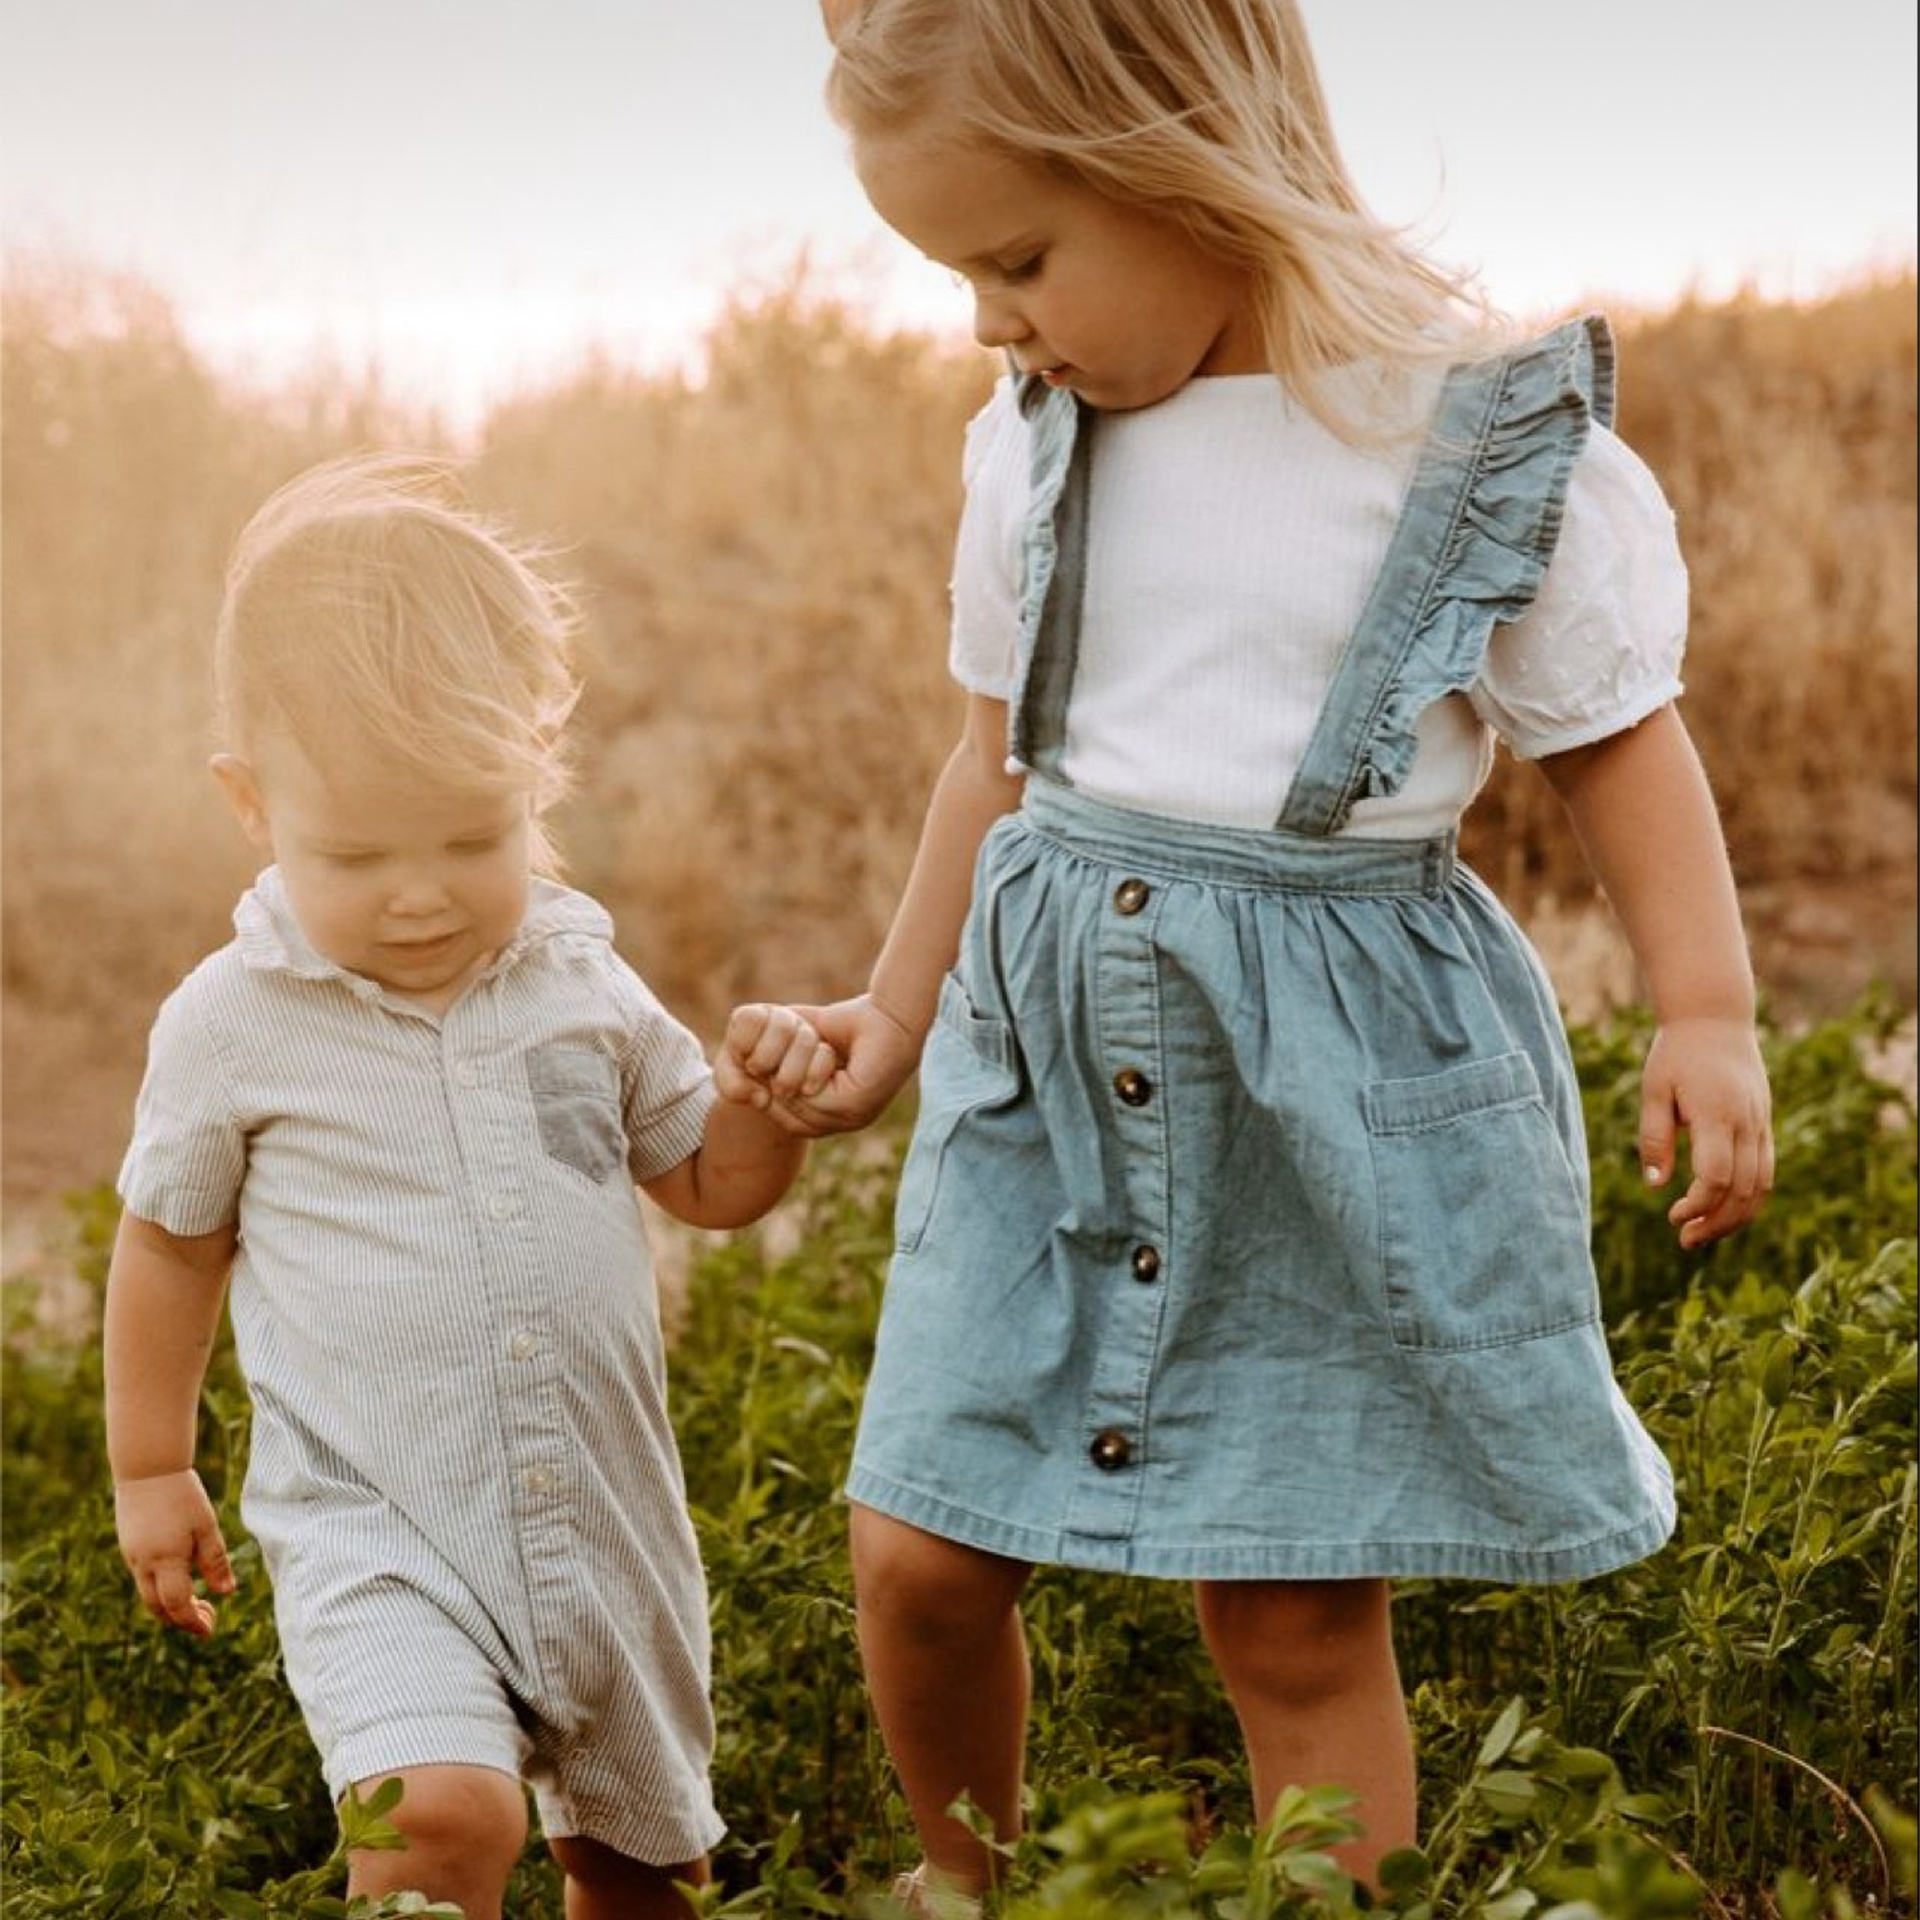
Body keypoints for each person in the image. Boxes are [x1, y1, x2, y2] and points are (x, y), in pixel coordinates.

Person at [717, 0, 1774, 1909]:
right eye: (959, 275)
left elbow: (1621, 738)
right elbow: (995, 763)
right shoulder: (1032, 440)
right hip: (1043, 1063)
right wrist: (887, 1017)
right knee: (918, 1557)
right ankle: (974, 1888)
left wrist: (1703, 1011)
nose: (985, 321)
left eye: (1017, 260)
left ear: (1186, 157)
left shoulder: (1456, 437)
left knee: (1287, 1618)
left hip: (1317, 1086)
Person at [105, 453, 831, 1920]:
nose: (420, 891)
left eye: (473, 836)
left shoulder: (581, 978)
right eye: (358, 853)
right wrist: (148, 1465)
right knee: (433, 1825)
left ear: (537, 780)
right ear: (251, 806)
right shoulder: (233, 1022)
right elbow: (169, 1248)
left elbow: (702, 1180)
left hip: (604, 1514)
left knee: (642, 1873)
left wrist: (769, 1108)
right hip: (376, 1524)